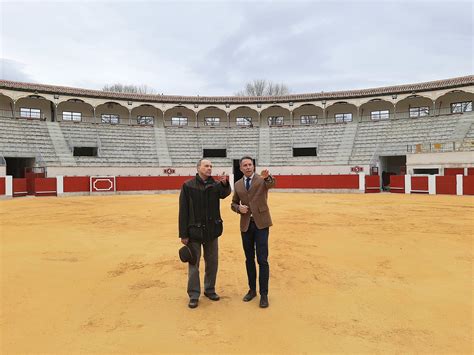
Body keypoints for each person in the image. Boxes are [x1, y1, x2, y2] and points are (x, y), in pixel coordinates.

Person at [179, 159, 231, 308]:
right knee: (193, 264)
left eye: (211, 166)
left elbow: (225, 194)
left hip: (212, 231)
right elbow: (183, 211)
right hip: (194, 231)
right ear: (198, 168)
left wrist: (224, 183)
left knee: (212, 262)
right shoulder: (188, 185)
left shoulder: (215, 185)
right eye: (206, 166)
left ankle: (209, 289)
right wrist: (183, 234)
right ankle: (194, 294)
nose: (209, 168)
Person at [231, 156, 276, 308]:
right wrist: (238, 208)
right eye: (245, 165)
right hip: (246, 225)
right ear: (241, 168)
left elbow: (272, 184)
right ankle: (252, 290)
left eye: (250, 164)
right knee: (249, 259)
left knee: (262, 260)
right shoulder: (237, 184)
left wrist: (268, 177)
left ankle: (264, 294)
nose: (248, 167)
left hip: (261, 224)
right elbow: (233, 202)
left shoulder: (262, 179)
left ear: (254, 166)